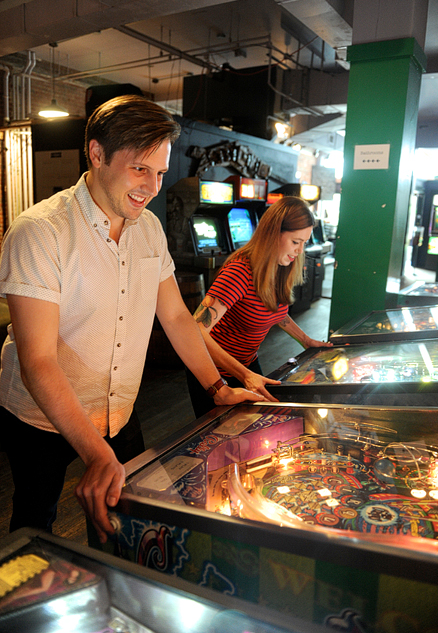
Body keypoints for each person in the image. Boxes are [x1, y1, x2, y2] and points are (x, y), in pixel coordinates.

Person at [0, 95, 262, 543]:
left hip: (116, 407)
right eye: (140, 169)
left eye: (160, 172)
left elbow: (177, 316)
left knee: (128, 512)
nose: (153, 186)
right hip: (40, 414)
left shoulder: (150, 229)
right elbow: (38, 360)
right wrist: (96, 454)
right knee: (35, 523)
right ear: (97, 153)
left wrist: (216, 387)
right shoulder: (40, 231)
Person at [186, 196, 331, 418]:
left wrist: (306, 341)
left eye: (304, 243)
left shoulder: (280, 266)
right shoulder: (239, 272)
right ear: (273, 234)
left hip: (247, 363)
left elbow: (276, 312)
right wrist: (244, 375)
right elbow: (194, 331)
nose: (300, 251)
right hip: (214, 373)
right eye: (295, 242)